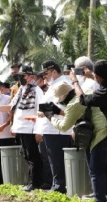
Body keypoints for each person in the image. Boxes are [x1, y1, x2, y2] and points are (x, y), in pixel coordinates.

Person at [69, 60, 107, 202]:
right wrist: (94, 76)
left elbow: (83, 100)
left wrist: (74, 80)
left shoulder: (104, 93)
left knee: (96, 169)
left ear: (97, 76)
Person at [35, 60, 72, 194]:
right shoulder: (53, 84)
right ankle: (56, 184)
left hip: (58, 128)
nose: (44, 76)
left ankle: (59, 186)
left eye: (46, 73)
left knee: (56, 159)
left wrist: (45, 111)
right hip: (50, 127)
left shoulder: (63, 83)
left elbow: (63, 105)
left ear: (54, 71)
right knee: (51, 158)